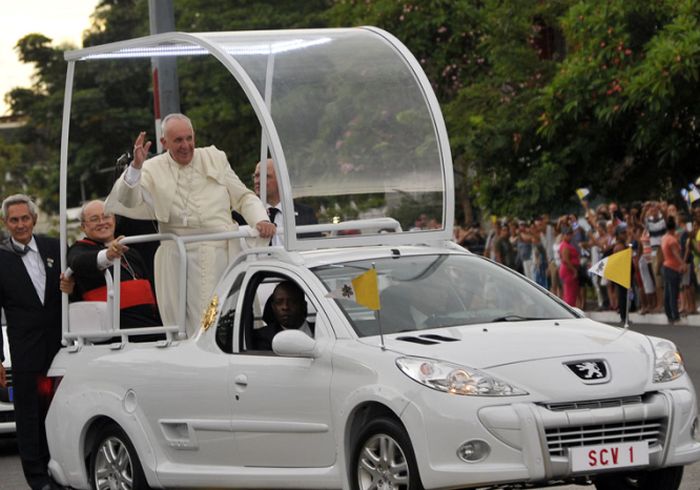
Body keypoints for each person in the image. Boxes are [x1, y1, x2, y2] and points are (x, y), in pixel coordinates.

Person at [105, 113, 276, 335]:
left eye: (189, 138)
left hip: (224, 255)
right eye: (178, 140)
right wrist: (136, 167)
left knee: (232, 320)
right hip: (182, 261)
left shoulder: (214, 158)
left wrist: (260, 219)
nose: (186, 146)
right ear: (164, 143)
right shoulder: (152, 168)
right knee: (195, 328)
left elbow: (243, 197)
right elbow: (127, 200)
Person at [0, 194, 65, 490]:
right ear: (6, 223)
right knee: (29, 417)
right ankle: (38, 480)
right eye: (14, 220)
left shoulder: (54, 247)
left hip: (61, 346)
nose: (20, 224)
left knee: (61, 410)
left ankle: (63, 472)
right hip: (24, 350)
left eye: (24, 218)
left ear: (34, 219)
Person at [68, 200, 160, 330]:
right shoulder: (79, 250)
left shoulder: (131, 252)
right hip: (117, 336)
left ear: (114, 220)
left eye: (106, 216)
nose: (102, 222)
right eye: (94, 219)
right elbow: (77, 263)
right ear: (83, 227)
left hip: (152, 327)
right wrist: (108, 255)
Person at [232, 158, 319, 245]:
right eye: (256, 176)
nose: (258, 181)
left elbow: (315, 248)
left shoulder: (305, 213)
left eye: (265, 176)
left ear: (281, 179)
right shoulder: (240, 216)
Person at [251, 281, 313, 350]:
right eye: (279, 302)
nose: (285, 307)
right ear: (273, 307)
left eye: (292, 301)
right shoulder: (263, 338)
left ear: (304, 305)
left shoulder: (322, 331)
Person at [661, 215, 686, 323]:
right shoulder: (672, 240)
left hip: (666, 265)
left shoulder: (664, 237)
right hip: (672, 267)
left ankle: (669, 315)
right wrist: (683, 263)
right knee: (673, 293)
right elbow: (676, 253)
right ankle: (675, 316)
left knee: (667, 292)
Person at [558, 225, 580, 307]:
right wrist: (574, 270)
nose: (570, 236)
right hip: (568, 271)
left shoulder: (567, 244)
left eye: (570, 234)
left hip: (569, 270)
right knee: (569, 293)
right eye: (568, 234)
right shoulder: (565, 246)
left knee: (571, 292)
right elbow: (565, 260)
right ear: (563, 235)